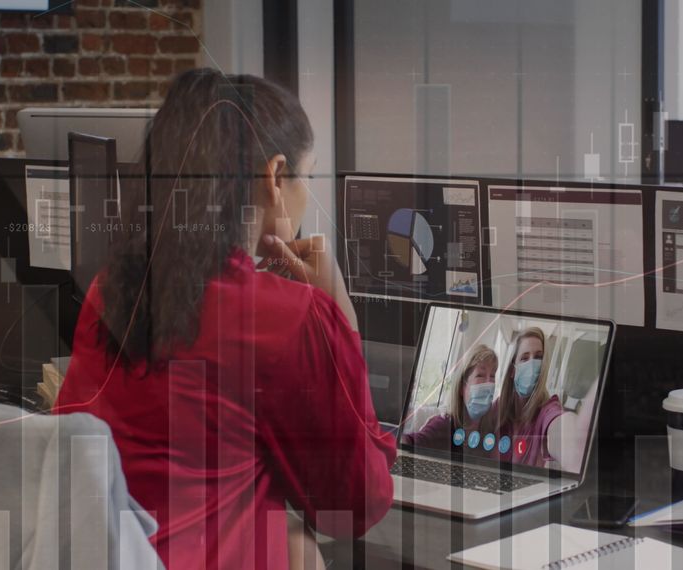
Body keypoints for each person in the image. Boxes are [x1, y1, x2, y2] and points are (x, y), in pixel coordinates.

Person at [54, 68, 396, 570]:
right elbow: (357, 505)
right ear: (275, 177)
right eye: (308, 175)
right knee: (300, 540)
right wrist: (338, 315)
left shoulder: (109, 291)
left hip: (113, 557)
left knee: (292, 536)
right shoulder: (285, 319)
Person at [497, 327, 590, 471]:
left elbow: (561, 428)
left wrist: (577, 446)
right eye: (524, 358)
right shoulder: (497, 409)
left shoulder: (547, 410)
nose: (532, 365)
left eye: (538, 358)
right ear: (512, 370)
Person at [401, 344, 498, 450]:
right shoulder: (444, 425)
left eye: (492, 376)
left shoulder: (493, 429)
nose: (489, 383)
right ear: (462, 387)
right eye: (480, 375)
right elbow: (407, 442)